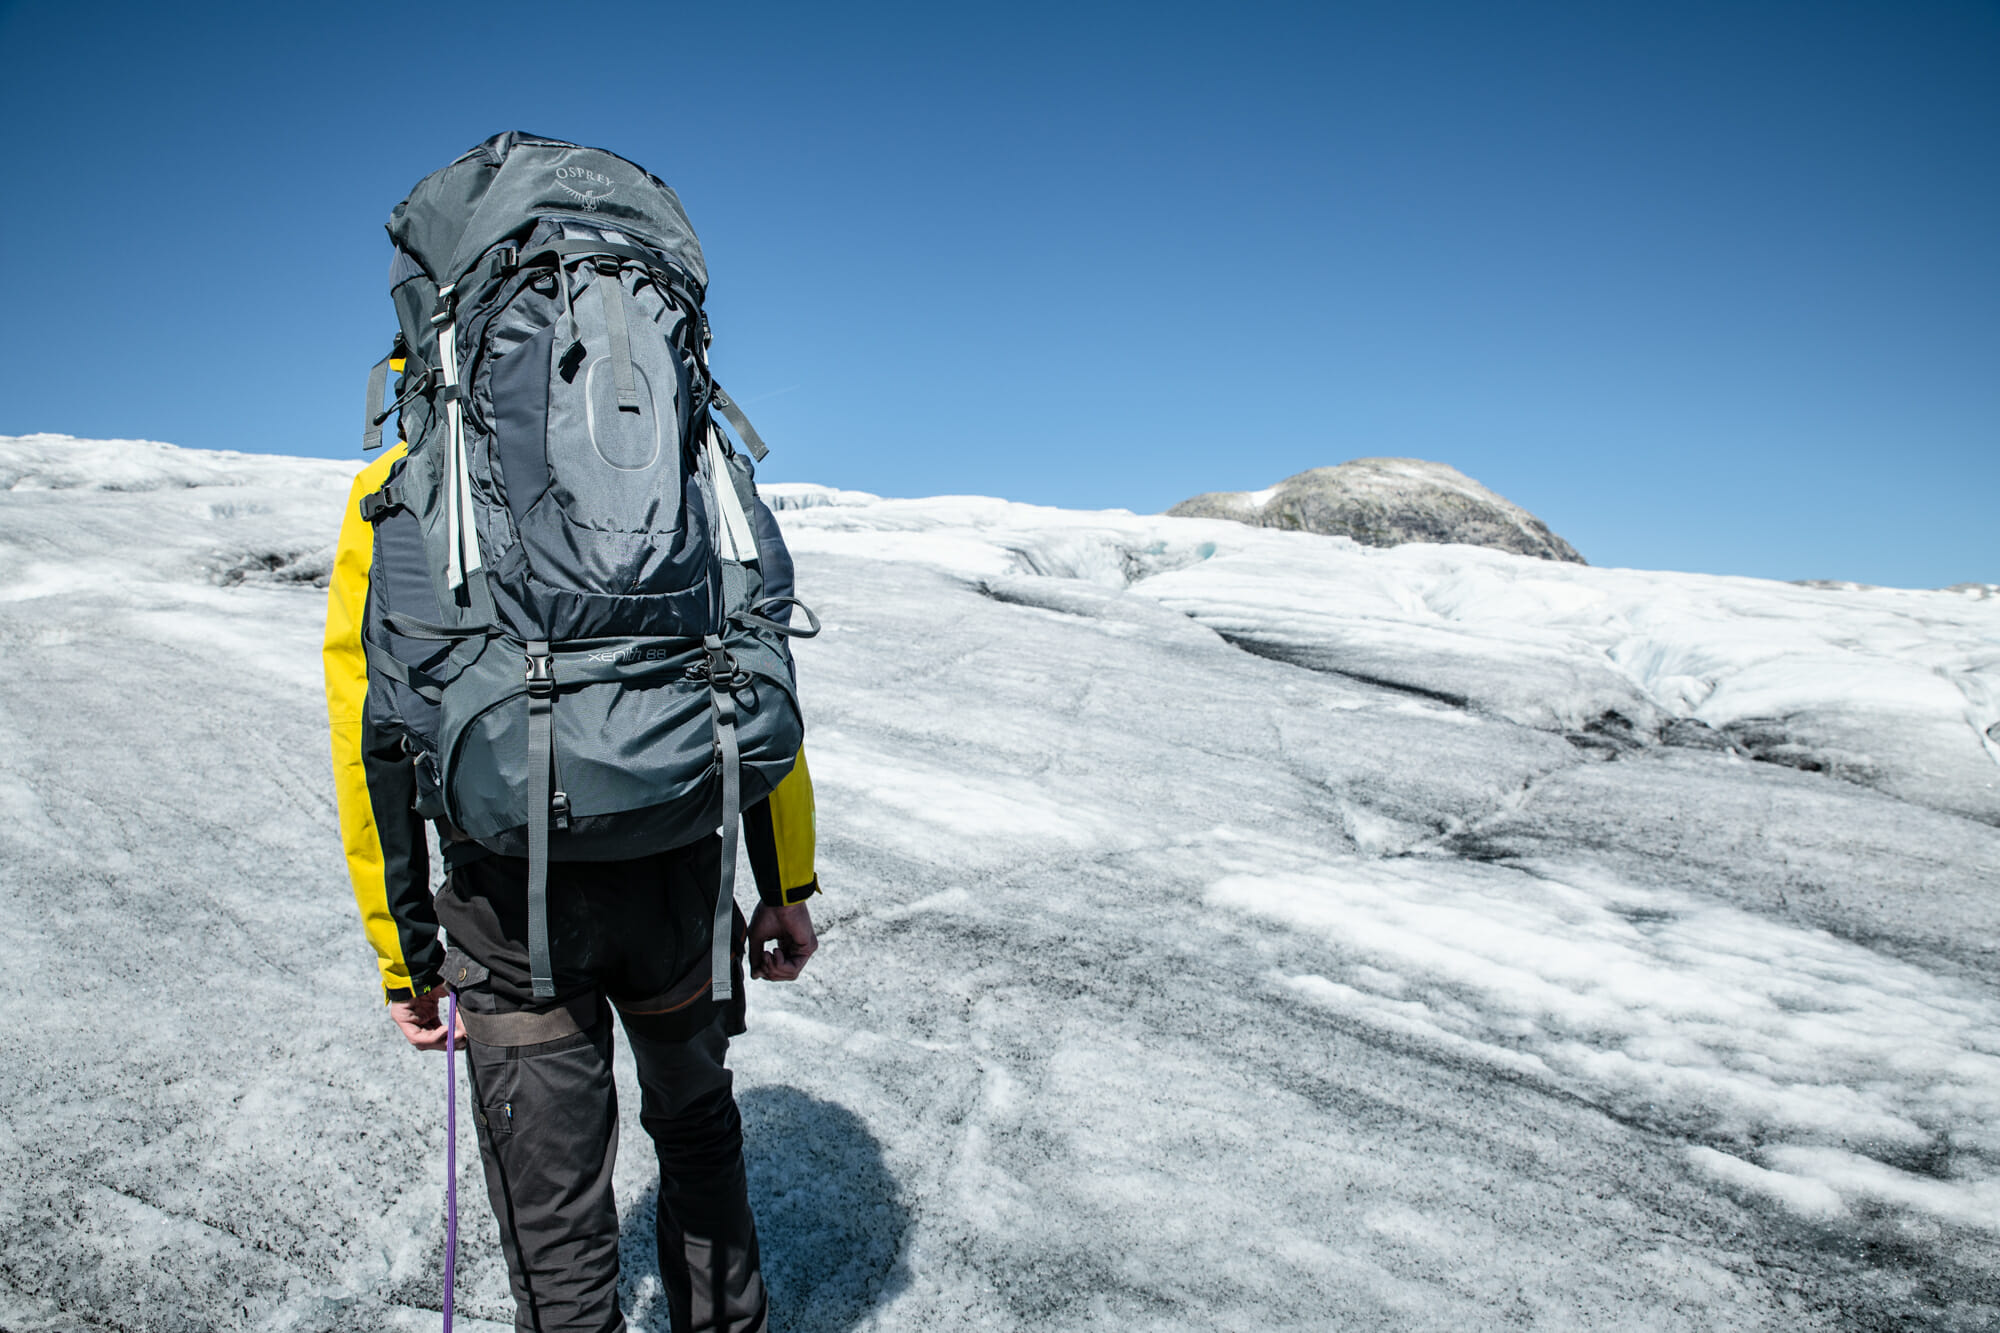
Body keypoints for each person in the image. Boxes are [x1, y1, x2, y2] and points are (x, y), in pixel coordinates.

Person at [323, 440, 821, 1333]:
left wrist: (407, 954)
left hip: (511, 906)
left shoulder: (411, 470)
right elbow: (753, 658)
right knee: (701, 1143)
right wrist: (783, 879)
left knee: (557, 1229)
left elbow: (371, 716)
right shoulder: (674, 443)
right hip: (678, 880)